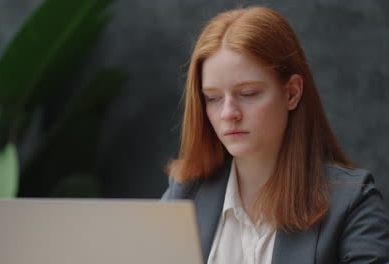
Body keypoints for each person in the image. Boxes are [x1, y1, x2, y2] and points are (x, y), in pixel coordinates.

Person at [161, 6, 389, 264]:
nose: (228, 113)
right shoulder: (185, 193)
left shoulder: (353, 203)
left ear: (292, 93)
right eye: (213, 98)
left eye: (248, 94)